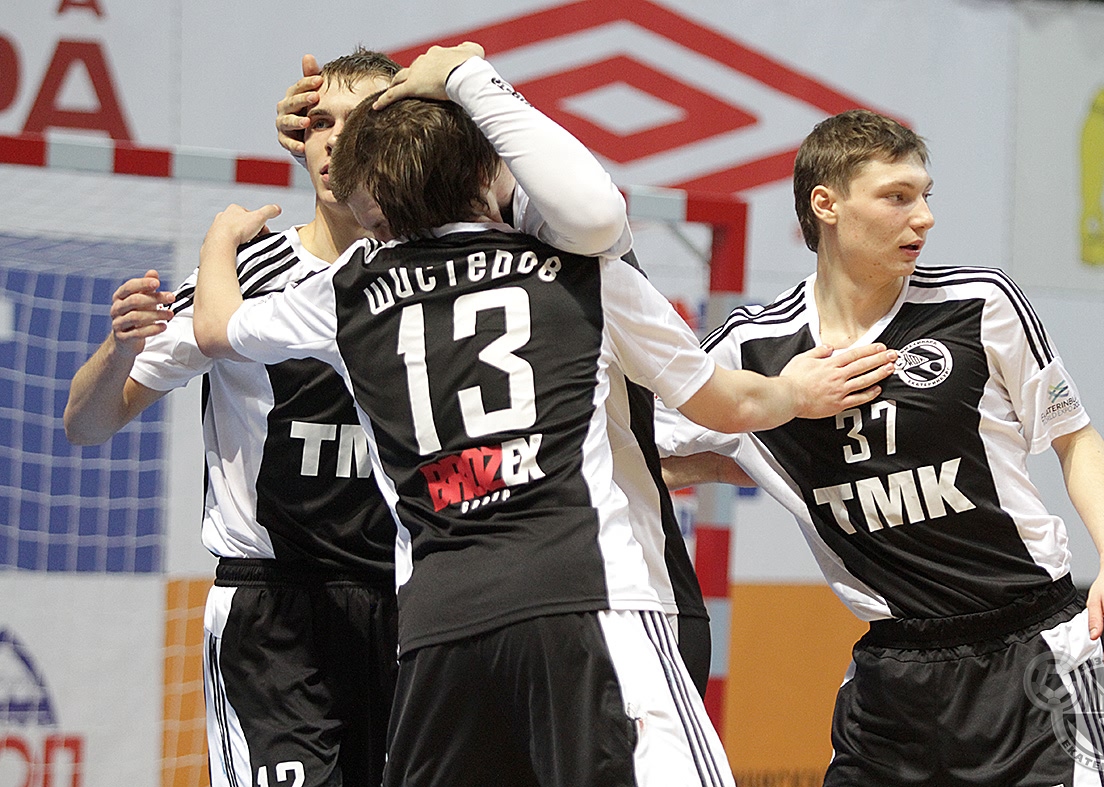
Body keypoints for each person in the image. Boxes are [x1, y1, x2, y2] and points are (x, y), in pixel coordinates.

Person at [191, 44, 898, 787]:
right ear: (488, 169)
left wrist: (219, 241)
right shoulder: (582, 270)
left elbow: (216, 328)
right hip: (587, 596)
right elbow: (726, 400)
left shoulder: (347, 289)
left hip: (436, 626)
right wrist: (796, 392)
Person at [657, 108, 1104, 786]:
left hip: (1031, 652)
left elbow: (1075, 437)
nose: (923, 217)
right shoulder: (755, 347)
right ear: (826, 205)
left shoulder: (979, 303)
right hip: (892, 675)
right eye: (896, 197)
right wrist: (767, 423)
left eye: (925, 195)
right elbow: (636, 451)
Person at [63, 49, 404, 787]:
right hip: (275, 614)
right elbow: (86, 425)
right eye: (320, 123)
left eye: (358, 123)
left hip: (411, 609)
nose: (336, 142)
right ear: (299, 139)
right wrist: (119, 351)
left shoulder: (434, 275)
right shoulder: (242, 275)